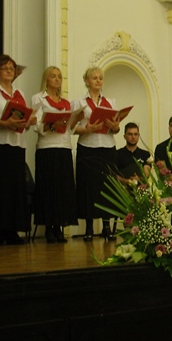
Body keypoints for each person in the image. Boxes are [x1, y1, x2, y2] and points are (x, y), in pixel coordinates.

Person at [0, 55, 35, 245]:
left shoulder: (19, 93)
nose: (9, 71)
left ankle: (12, 230)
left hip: (17, 144)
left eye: (12, 68)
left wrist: (28, 122)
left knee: (14, 189)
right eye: (5, 68)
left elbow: (23, 116)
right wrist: (3, 123)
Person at [31, 66, 79, 243]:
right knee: (48, 187)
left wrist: (76, 118)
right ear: (46, 79)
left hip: (64, 146)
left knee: (62, 188)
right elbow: (36, 124)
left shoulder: (66, 102)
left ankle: (59, 226)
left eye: (59, 76)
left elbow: (70, 128)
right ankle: (49, 227)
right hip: (47, 147)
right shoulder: (38, 98)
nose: (57, 79)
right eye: (53, 76)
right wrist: (51, 125)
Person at [74, 66, 121, 241]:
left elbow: (116, 128)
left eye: (100, 78)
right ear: (87, 81)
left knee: (108, 186)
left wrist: (115, 127)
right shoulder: (79, 103)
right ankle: (89, 227)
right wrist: (87, 129)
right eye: (94, 78)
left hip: (108, 148)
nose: (98, 80)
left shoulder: (111, 102)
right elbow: (71, 128)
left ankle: (106, 226)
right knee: (89, 187)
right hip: (88, 147)